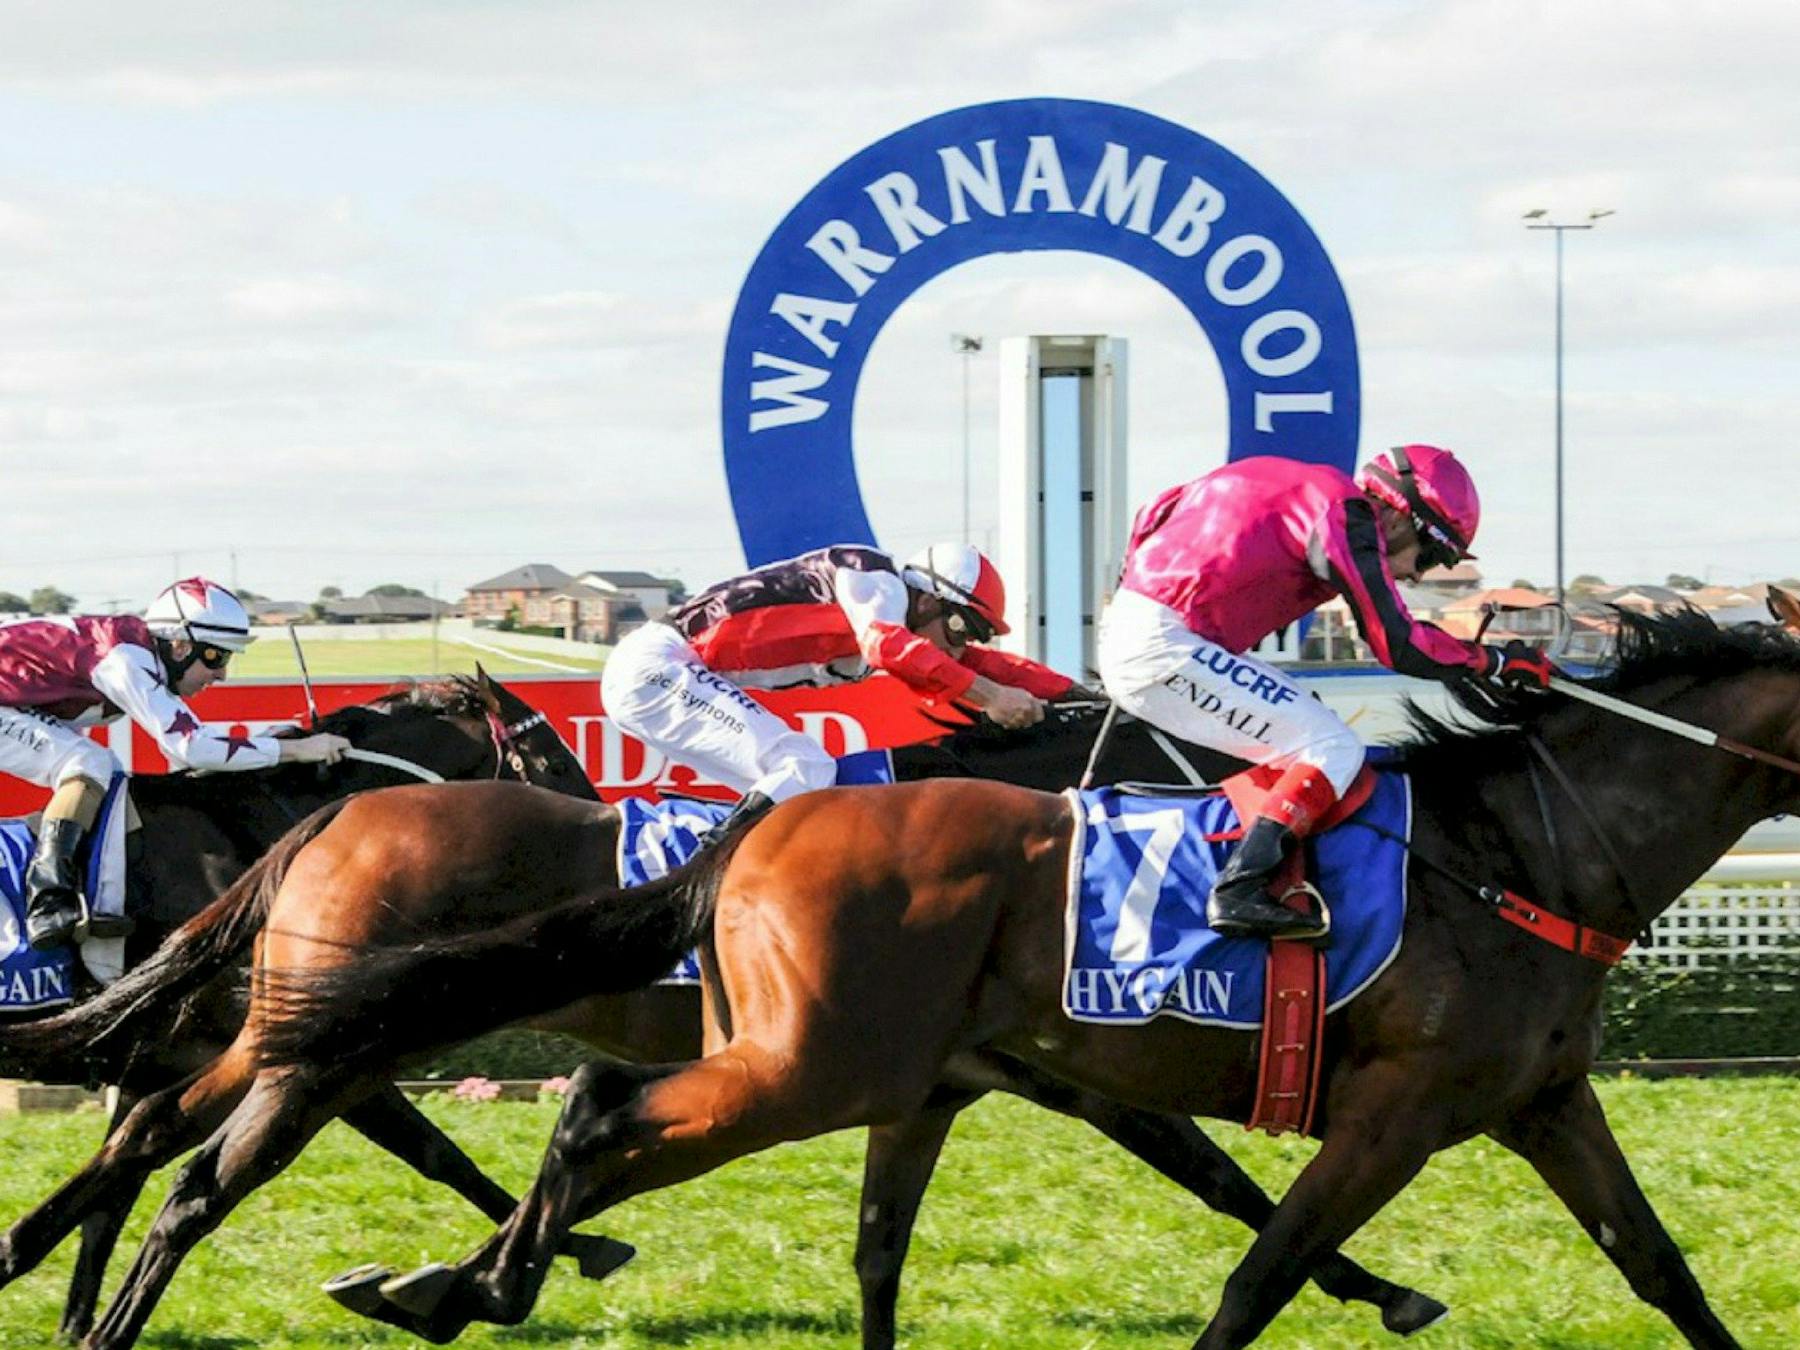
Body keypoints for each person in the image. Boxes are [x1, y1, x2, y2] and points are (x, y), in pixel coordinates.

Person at [1097, 445, 1554, 941]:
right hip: (1168, 645)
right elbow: (1397, 645)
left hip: (1141, 626)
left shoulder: (1286, 476)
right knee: (1333, 747)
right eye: (1432, 555)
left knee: (1310, 728)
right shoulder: (1347, 515)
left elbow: (1155, 510)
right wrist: (1495, 661)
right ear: (1402, 520)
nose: (1417, 574)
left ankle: (1252, 856)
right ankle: (1239, 890)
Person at [602, 542, 1081, 831]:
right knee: (803, 765)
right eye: (961, 627)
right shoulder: (877, 580)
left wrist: (1081, 695)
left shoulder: (906, 620)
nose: (960, 648)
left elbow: (986, 665)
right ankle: (709, 865)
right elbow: (887, 648)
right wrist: (991, 697)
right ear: (931, 600)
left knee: (797, 785)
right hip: (656, 668)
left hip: (670, 675)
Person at [0, 577, 351, 951]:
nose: (221, 674)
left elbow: (188, 742)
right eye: (216, 656)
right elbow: (189, 747)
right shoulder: (125, 661)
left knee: (107, 775)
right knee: (87, 762)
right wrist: (297, 750)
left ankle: (86, 891)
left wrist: (272, 739)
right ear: (180, 645)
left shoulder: (140, 654)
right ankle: (48, 899)